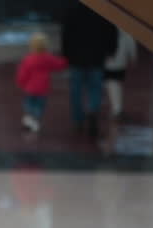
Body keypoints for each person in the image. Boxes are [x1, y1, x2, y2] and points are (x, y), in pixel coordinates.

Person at [61, 3, 120, 139]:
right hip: (97, 57)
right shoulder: (102, 10)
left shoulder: (72, 8)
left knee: (76, 91)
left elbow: (66, 32)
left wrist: (66, 53)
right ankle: (93, 111)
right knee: (95, 89)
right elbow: (111, 30)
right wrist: (111, 50)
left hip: (76, 57)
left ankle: (78, 121)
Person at [16, 32, 69, 133]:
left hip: (30, 88)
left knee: (28, 104)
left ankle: (29, 118)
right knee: (40, 106)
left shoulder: (28, 59)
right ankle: (35, 120)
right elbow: (59, 64)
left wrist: (21, 83)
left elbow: (22, 74)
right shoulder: (48, 58)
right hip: (43, 88)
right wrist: (66, 60)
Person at [103, 28, 138, 120]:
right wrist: (132, 57)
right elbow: (131, 42)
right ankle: (117, 107)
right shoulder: (125, 27)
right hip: (121, 60)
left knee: (111, 82)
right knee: (116, 83)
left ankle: (116, 108)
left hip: (109, 59)